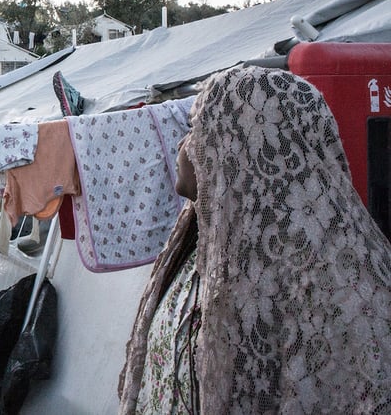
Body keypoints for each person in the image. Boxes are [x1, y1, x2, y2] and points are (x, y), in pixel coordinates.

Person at [119, 66, 391, 415]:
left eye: (196, 129)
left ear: (240, 145)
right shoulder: (201, 245)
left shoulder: (326, 281)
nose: (182, 145)